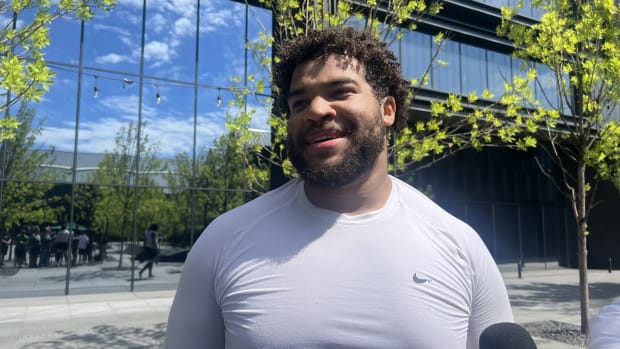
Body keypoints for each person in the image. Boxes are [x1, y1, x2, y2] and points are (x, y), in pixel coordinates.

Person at [164, 27, 513, 348]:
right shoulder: (223, 240)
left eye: (340, 92)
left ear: (387, 109)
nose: (315, 110)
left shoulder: (461, 246)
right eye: (299, 102)